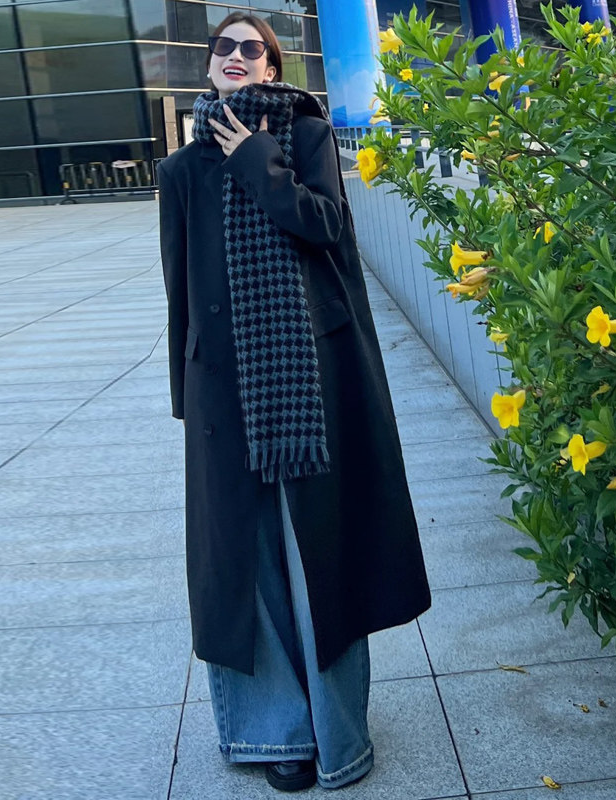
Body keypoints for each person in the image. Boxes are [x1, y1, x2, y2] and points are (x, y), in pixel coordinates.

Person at [157, 11, 431, 793]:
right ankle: (274, 732)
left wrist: (255, 159)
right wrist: (185, 393)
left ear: (273, 68)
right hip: (225, 385)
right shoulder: (180, 171)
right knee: (248, 563)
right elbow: (180, 289)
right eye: (225, 47)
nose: (237, 56)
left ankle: (338, 734)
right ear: (210, 66)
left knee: (317, 550)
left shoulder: (304, 135)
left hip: (311, 379)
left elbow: (327, 227)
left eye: (254, 49)